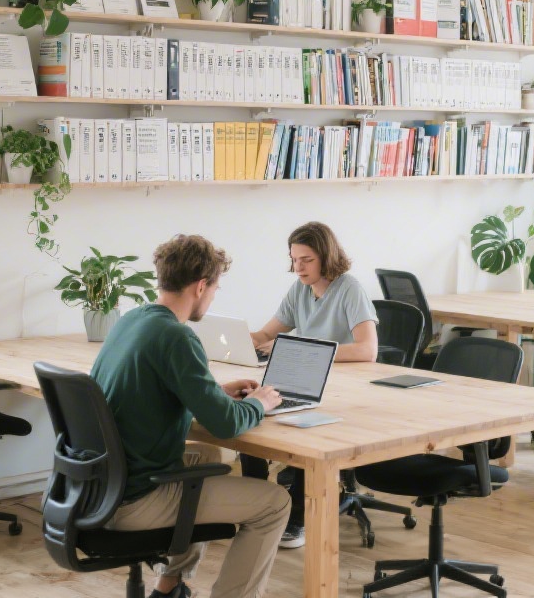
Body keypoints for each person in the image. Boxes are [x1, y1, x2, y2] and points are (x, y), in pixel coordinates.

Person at [91, 234, 291, 598]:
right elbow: (226, 424)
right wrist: (259, 402)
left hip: (100, 486)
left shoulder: (132, 320)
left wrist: (215, 392)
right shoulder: (177, 336)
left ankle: (169, 588)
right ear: (201, 286)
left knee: (208, 455)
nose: (213, 296)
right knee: (275, 504)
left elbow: (157, 387)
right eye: (215, 288)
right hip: (134, 498)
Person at [245, 221, 379, 548]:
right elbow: (266, 334)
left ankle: (297, 520)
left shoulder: (349, 289)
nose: (298, 268)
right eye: (294, 260)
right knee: (248, 414)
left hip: (344, 388)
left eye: (306, 260)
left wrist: (304, 351)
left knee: (305, 435)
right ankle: (254, 503)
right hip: (303, 381)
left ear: (325, 257)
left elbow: (368, 350)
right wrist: (239, 340)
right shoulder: (300, 289)